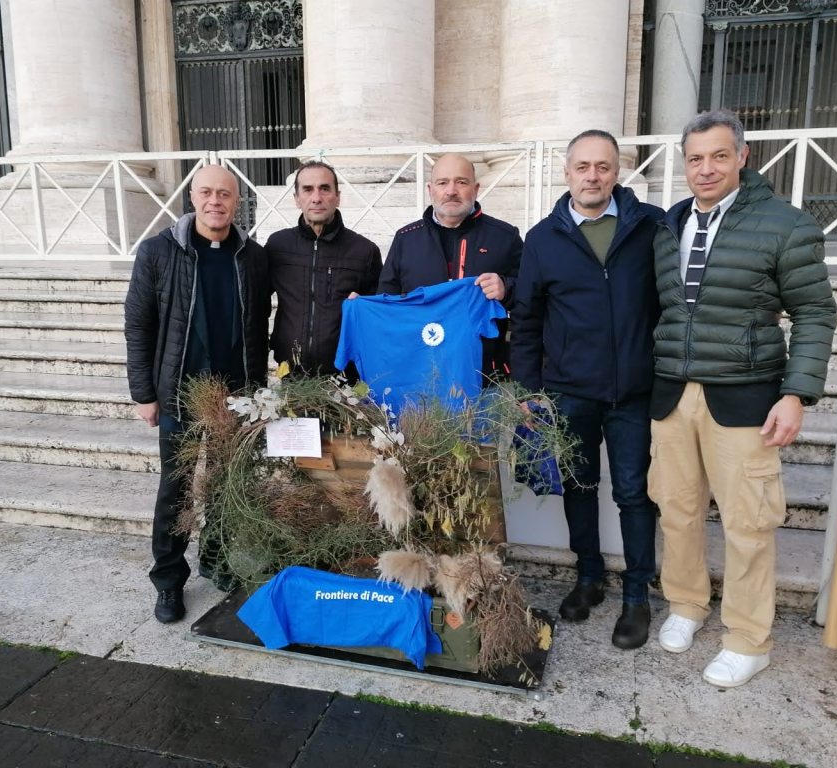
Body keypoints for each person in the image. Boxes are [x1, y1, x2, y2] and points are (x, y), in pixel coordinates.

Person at [648, 109, 837, 686]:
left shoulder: (784, 224)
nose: (706, 169)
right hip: (673, 394)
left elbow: (814, 312)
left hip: (745, 396)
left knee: (748, 523)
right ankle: (686, 604)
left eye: (719, 156)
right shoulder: (669, 225)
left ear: (742, 157)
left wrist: (797, 393)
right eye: (695, 158)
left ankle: (749, 639)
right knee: (677, 510)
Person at [510, 129, 663, 650]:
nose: (592, 176)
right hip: (570, 390)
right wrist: (528, 389)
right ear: (567, 173)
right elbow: (527, 319)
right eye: (583, 167)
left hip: (634, 391)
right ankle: (589, 577)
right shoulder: (542, 239)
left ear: (617, 171)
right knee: (579, 486)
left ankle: (637, 595)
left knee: (633, 492)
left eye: (602, 166)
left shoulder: (650, 226)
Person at [124, 164, 271, 624]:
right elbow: (139, 325)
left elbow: (257, 327)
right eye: (206, 192)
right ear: (192, 198)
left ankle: (217, 559)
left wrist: (258, 393)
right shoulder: (158, 251)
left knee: (228, 484)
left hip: (235, 394)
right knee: (177, 489)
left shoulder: (252, 256)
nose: (215, 201)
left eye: (224, 194)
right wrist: (144, 393)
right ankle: (169, 580)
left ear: (237, 201)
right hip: (179, 392)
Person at [378, 153, 521, 380]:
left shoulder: (504, 237)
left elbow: (531, 296)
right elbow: (386, 303)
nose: (451, 191)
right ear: (430, 190)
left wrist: (506, 288)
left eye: (461, 182)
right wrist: (361, 306)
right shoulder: (406, 239)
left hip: (485, 375)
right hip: (420, 374)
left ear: (475, 189)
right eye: (442, 182)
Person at [266, 160, 382, 376]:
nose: (316, 198)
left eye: (325, 189)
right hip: (291, 372)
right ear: (296, 199)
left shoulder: (364, 251)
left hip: (345, 374)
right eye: (308, 189)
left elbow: (379, 311)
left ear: (338, 197)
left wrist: (364, 304)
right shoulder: (278, 245)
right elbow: (257, 302)